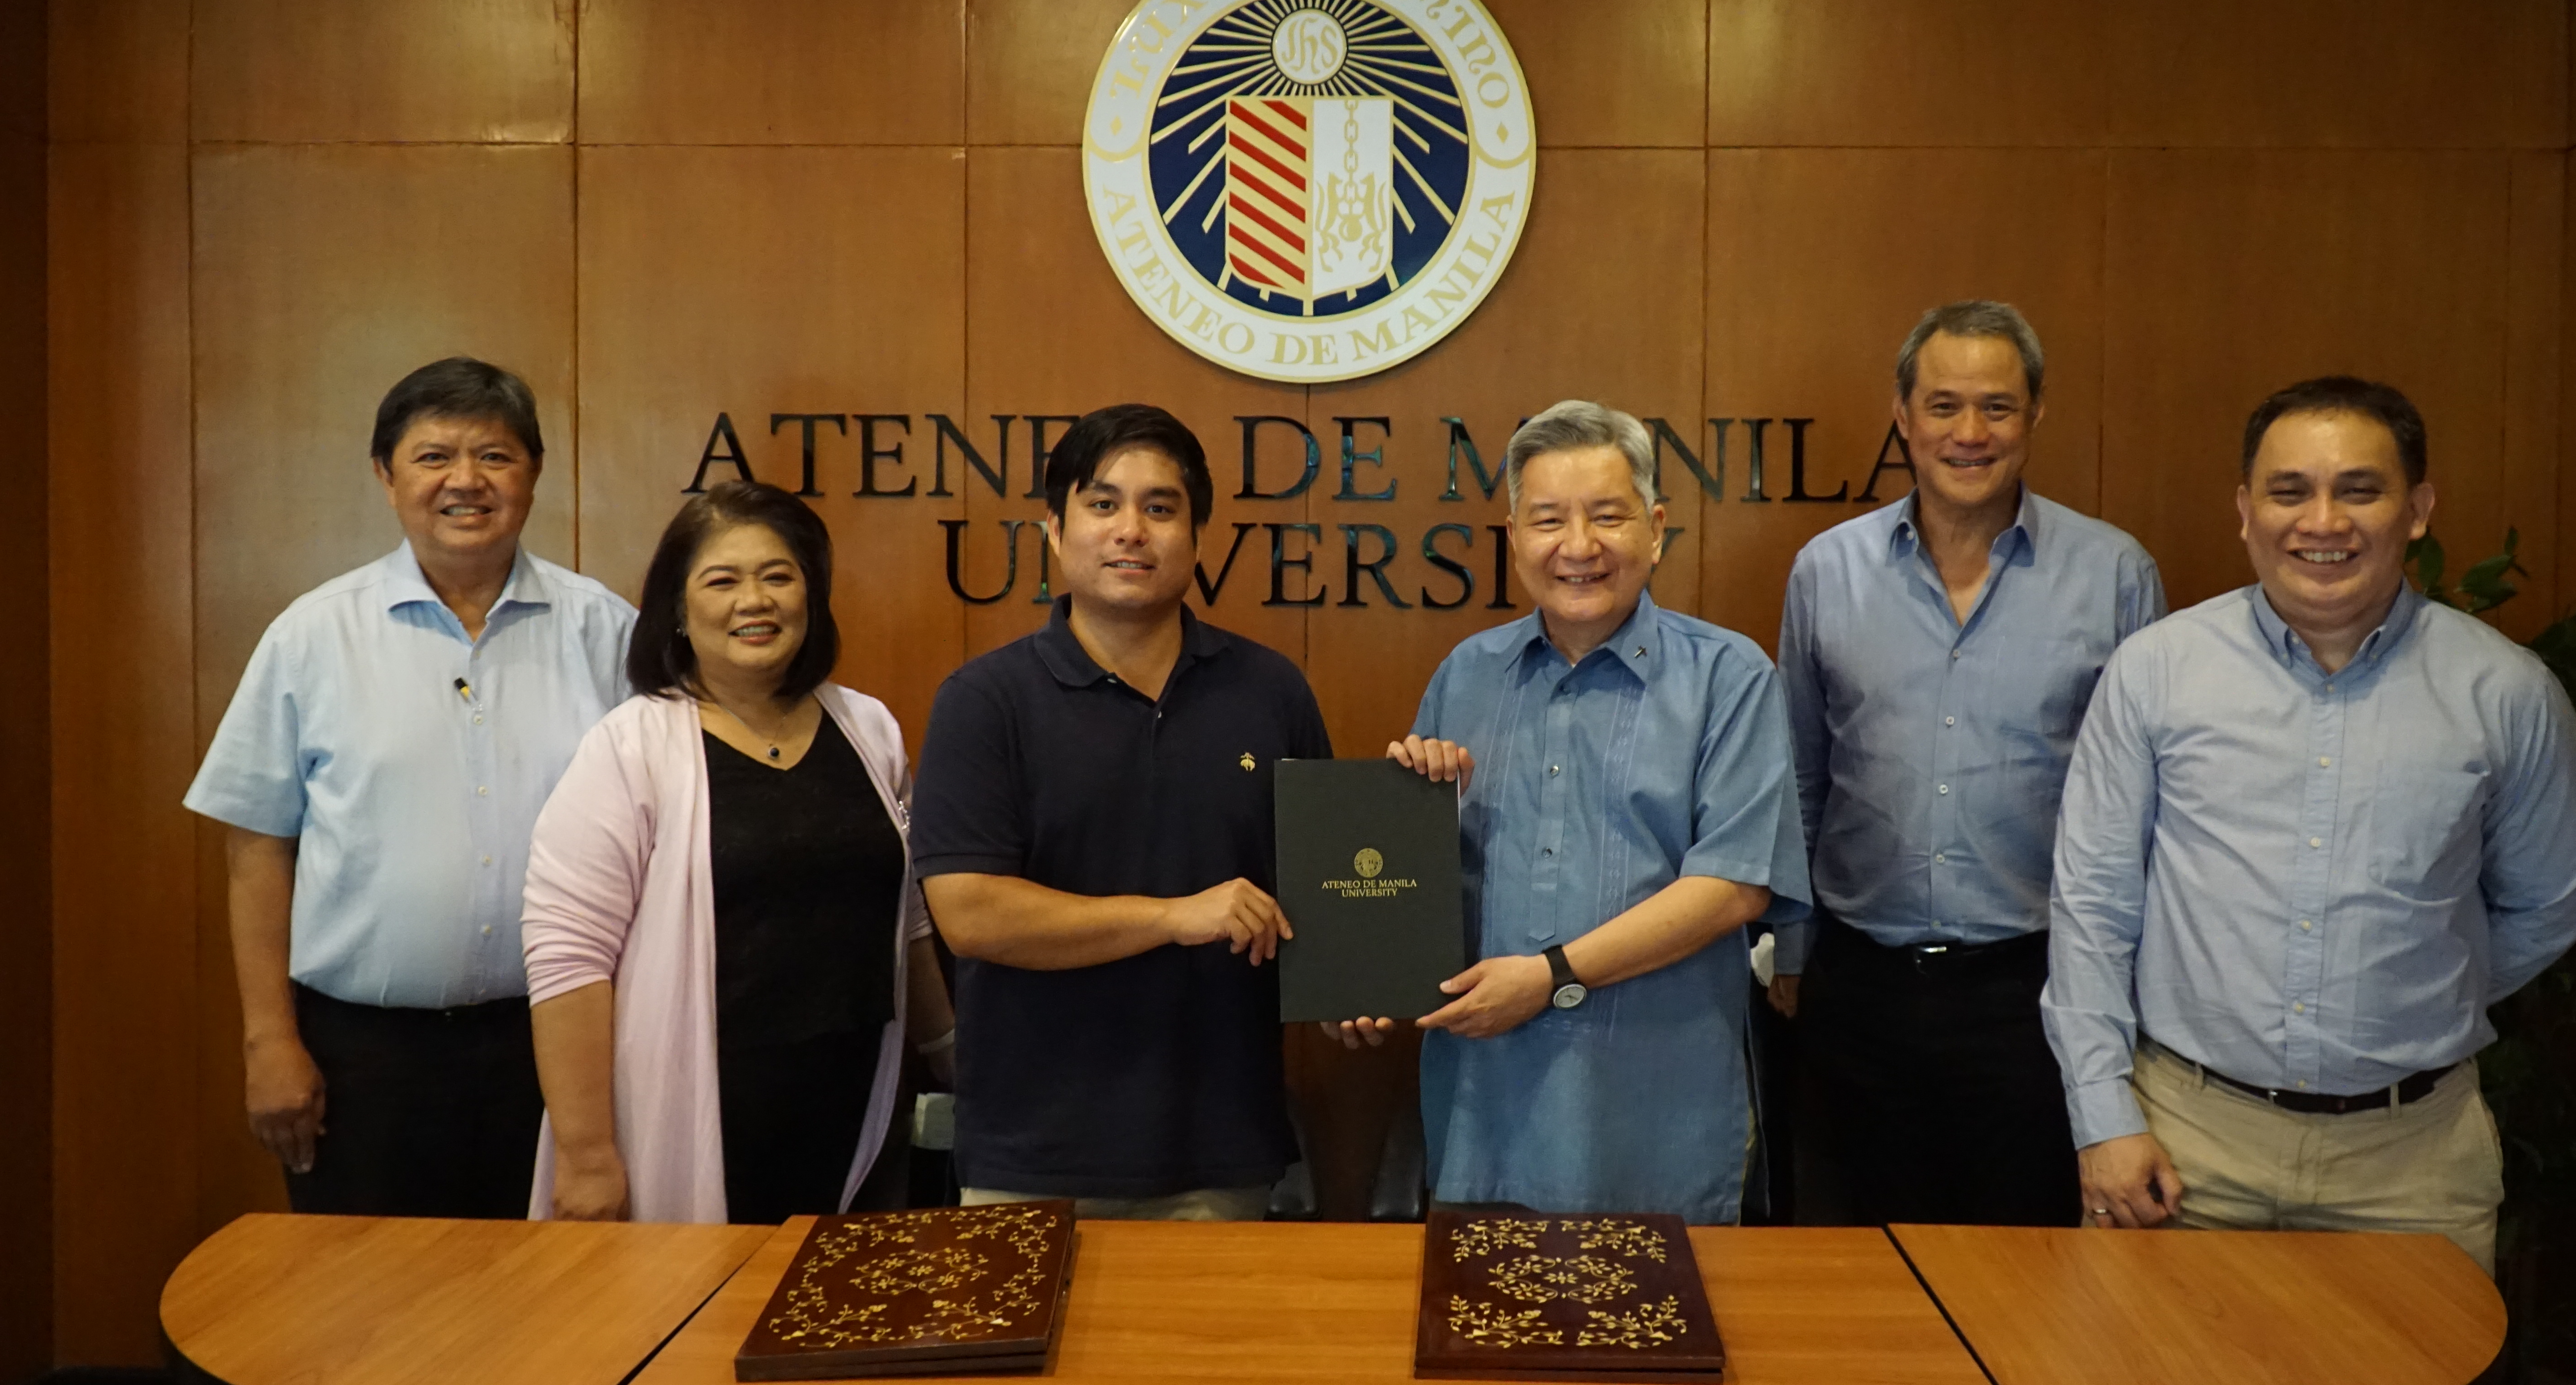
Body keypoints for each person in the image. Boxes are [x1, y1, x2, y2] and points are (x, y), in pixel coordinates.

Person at [2042, 377, 2576, 1385]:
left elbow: (2550, 905)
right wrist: (2106, 1117)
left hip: (2416, 1154)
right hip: (2185, 1139)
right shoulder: (2159, 674)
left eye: (2360, 488)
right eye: (2290, 490)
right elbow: (2091, 910)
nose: (2323, 520)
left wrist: (2413, 1007)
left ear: (2418, 507)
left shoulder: (2502, 693)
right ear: (2244, 511)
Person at [183, 357, 633, 1385]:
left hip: (548, 1052)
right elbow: (254, 846)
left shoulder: (605, 630)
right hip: (362, 1053)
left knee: (531, 1342)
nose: (465, 481)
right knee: (364, 1352)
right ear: (386, 478)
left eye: (494, 454)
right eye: (434, 455)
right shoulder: (312, 635)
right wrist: (270, 1038)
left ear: (534, 475)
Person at [1331, 400, 1810, 1224]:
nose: (1579, 547)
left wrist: (1550, 976)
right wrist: (1372, 969)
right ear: (1513, 535)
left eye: (1609, 517)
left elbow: (1735, 887)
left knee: (1661, 1340)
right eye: (1549, 520)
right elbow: (1420, 886)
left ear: (1656, 529)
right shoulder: (1466, 674)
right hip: (1488, 1114)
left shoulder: (1729, 677)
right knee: (1485, 1339)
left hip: (1660, 1115)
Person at [1770, 300, 2164, 1227]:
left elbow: (2150, 809)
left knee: (2026, 1276)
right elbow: (1799, 774)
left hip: (2035, 993)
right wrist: (1793, 948)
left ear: (2035, 415)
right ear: (1903, 416)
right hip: (1859, 984)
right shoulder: (1826, 571)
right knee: (1865, 1265)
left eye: (1997, 406)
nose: (1971, 433)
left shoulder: (2116, 576)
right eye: (1944, 406)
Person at [912, 405, 1331, 1219]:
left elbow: (1319, 898)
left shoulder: (1270, 692)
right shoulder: (984, 702)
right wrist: (1176, 918)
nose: (1131, 530)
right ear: (1052, 531)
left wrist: (1368, 978)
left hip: (1223, 1151)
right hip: (1032, 1159)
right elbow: (972, 915)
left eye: (1160, 508)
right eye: (1102, 505)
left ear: (1199, 538)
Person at [521, 481, 954, 1226]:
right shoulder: (631, 747)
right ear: (679, 612)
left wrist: (949, 1052)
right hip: (700, 1105)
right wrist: (587, 1156)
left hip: (850, 1096)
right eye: (722, 581)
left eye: (778, 576)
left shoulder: (867, 727)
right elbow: (568, 960)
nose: (754, 601)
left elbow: (908, 913)